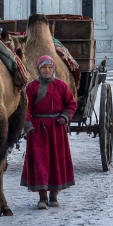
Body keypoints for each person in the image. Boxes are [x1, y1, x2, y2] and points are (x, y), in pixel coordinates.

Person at [21, 56, 77, 208]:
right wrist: (28, 125)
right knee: (40, 163)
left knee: (55, 161)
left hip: (56, 129)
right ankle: (42, 198)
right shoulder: (32, 87)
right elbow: (26, 107)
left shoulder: (61, 86)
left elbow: (71, 104)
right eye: (44, 67)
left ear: (53, 69)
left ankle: (54, 196)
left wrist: (65, 117)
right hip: (38, 129)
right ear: (39, 69)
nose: (47, 70)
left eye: (49, 67)